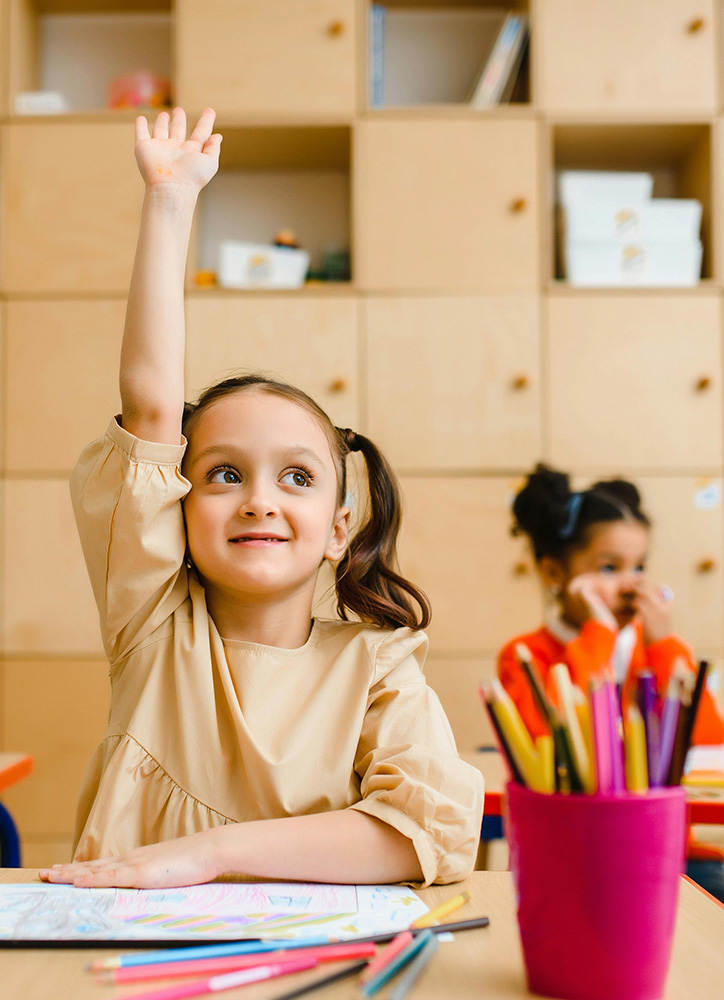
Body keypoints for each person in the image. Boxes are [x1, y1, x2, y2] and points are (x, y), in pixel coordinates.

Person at [39, 108, 483, 891]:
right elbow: (149, 407)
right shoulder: (152, 623)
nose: (258, 501)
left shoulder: (378, 666)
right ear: (175, 504)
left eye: (298, 478)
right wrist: (169, 202)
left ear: (339, 529)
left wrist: (209, 856)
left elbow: (424, 835)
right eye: (223, 474)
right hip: (134, 958)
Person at [498, 463, 724, 900]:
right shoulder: (525, 655)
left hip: (665, 851)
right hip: (571, 852)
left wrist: (666, 647)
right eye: (608, 567)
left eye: (638, 566)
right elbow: (557, 737)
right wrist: (598, 635)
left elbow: (708, 744)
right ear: (554, 574)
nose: (630, 584)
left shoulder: (651, 649)